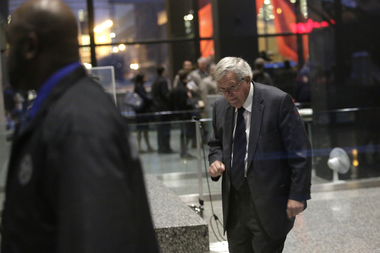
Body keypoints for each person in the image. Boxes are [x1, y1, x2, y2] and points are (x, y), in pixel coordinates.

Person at [1, 1, 159, 252]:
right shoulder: (64, 109)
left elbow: (99, 240)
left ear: (30, 46)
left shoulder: (80, 122)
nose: (7, 54)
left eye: (10, 45)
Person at [208, 57, 312, 252]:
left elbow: (300, 153)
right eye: (222, 90)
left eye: (231, 87)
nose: (228, 95)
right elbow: (215, 143)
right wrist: (216, 160)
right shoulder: (221, 106)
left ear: (246, 80)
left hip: (269, 201)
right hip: (235, 203)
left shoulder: (278, 101)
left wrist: (298, 195)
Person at [172, 69, 196, 159]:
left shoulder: (179, 87)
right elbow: (183, 103)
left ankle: (184, 151)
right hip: (185, 114)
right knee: (186, 133)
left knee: (185, 134)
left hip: (182, 114)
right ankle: (184, 152)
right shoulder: (182, 89)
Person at [151, 65, 174, 153]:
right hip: (163, 108)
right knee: (165, 129)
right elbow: (165, 95)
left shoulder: (155, 81)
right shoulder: (163, 81)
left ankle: (161, 147)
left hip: (157, 108)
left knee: (160, 129)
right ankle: (166, 147)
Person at [133, 73, 155, 153]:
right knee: (141, 129)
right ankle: (140, 147)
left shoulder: (138, 86)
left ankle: (147, 146)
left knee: (144, 129)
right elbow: (144, 97)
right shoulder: (139, 86)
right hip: (141, 111)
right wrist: (151, 100)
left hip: (141, 110)